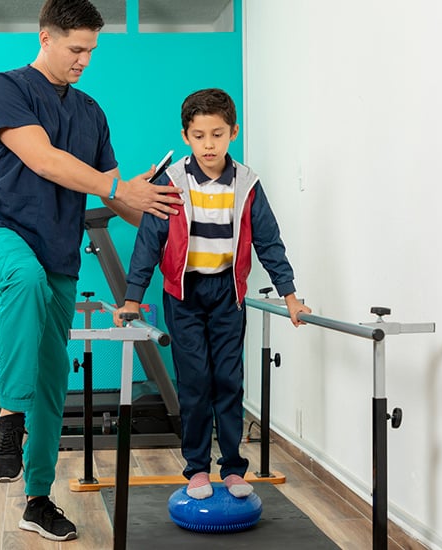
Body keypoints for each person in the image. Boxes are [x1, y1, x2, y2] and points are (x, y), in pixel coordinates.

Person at [0, 0, 183, 542]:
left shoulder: (90, 112)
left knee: (53, 375)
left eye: (91, 51)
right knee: (25, 280)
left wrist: (173, 215)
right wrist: (118, 187)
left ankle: (37, 500)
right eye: (76, 49)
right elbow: (42, 159)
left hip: (58, 251)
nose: (84, 59)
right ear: (45, 38)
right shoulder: (4, 88)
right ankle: (10, 419)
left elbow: (117, 196)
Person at [114, 88, 311, 500]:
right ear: (185, 136)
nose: (208, 145)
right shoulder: (171, 182)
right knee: (195, 380)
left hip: (227, 293)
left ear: (233, 133)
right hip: (183, 293)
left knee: (228, 379)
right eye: (199, 136)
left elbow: (269, 242)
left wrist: (290, 296)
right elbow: (149, 242)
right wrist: (132, 298)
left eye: (217, 135)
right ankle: (198, 469)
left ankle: (234, 468)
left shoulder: (247, 184)